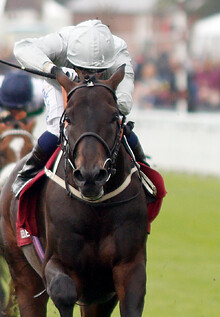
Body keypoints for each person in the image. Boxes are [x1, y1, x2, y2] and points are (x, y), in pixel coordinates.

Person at [11, 19, 147, 196]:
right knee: (56, 129)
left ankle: (143, 170)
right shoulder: (63, 41)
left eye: (96, 71)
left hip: (102, 94)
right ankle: (27, 173)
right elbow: (22, 48)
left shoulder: (118, 52)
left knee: (118, 123)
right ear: (71, 57)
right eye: (82, 69)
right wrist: (53, 70)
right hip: (60, 85)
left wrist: (104, 95)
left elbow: (125, 103)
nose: (88, 75)